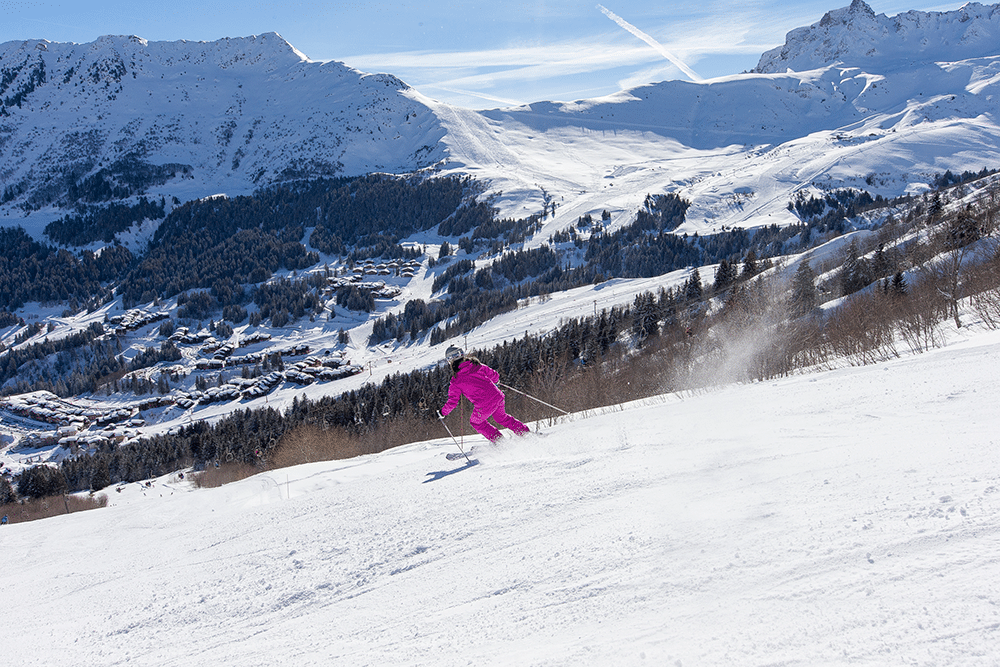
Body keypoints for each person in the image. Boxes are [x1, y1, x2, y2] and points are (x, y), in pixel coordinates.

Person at [439, 345, 530, 443]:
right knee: (501, 417)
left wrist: (442, 412)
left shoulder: (456, 380)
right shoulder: (476, 365)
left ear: (450, 361)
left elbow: (452, 401)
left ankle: (500, 443)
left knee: (476, 422)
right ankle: (526, 433)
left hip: (484, 404)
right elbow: (494, 376)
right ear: (462, 354)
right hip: (498, 397)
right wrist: (496, 381)